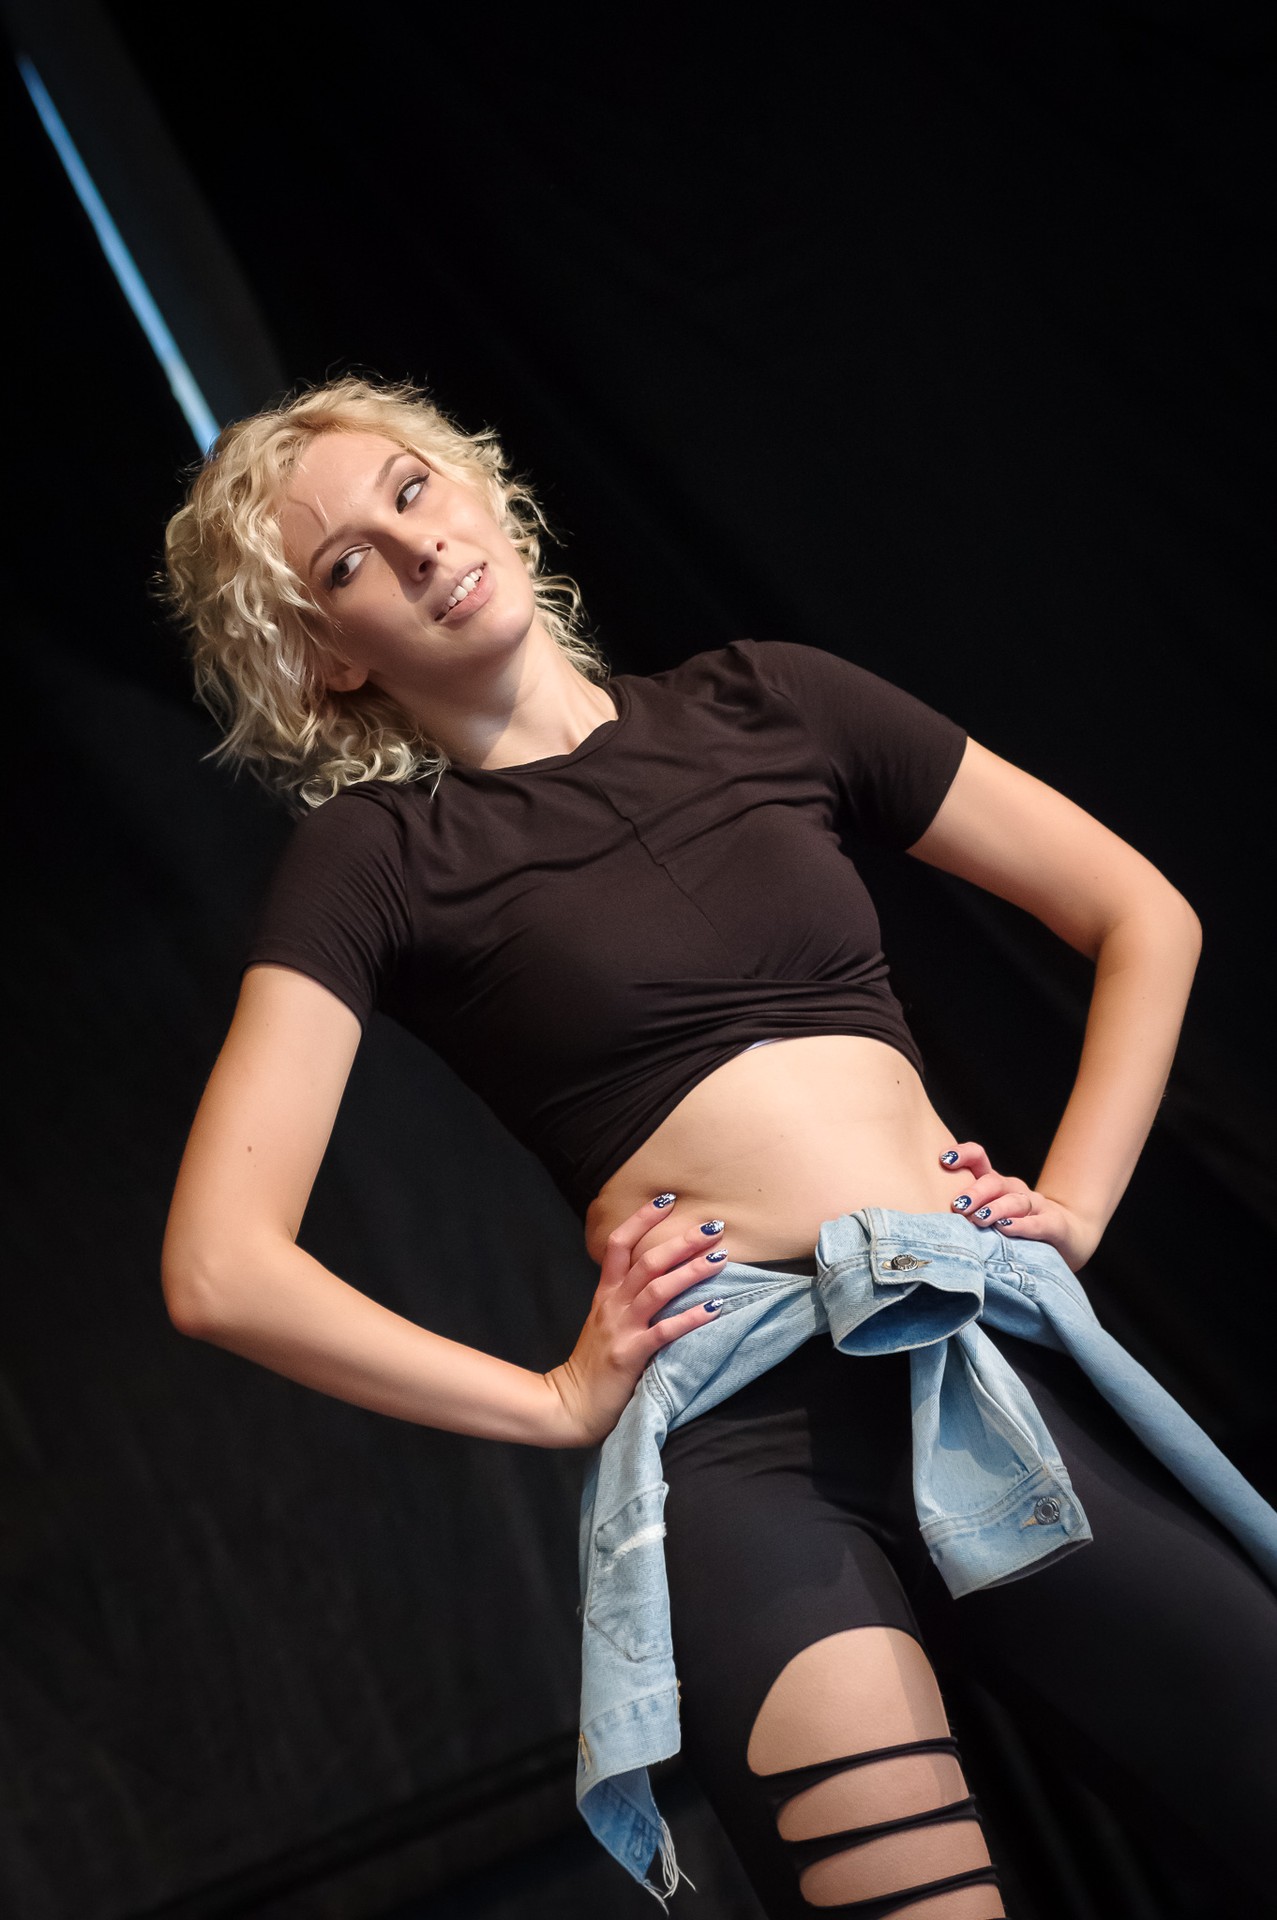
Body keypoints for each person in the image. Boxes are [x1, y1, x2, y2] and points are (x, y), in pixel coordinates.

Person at [161, 375, 1276, 1920]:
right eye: (346, 562)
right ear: (327, 656)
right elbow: (219, 1267)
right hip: (748, 1450)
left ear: (477, 488)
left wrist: (1074, 1203)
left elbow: (1139, 913)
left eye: (410, 492)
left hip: (983, 1355)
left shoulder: (772, 700)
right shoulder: (377, 861)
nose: (412, 549)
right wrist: (551, 1400)